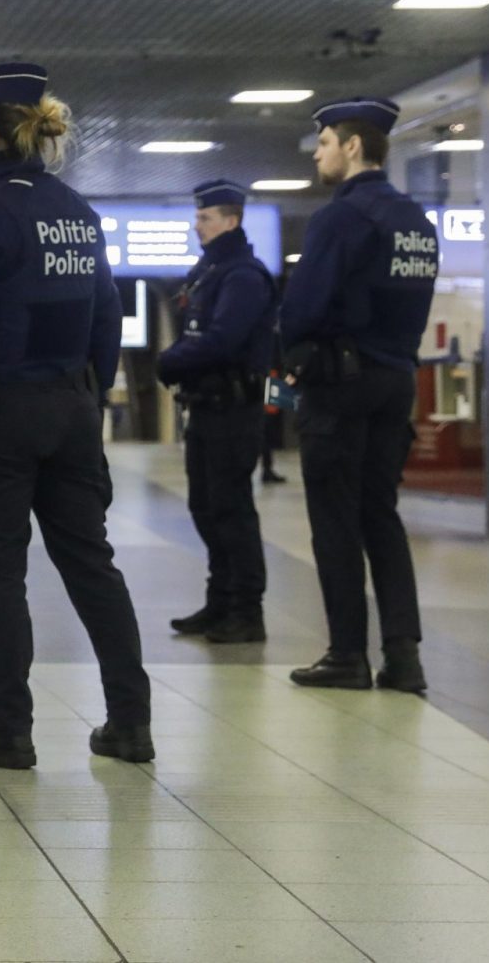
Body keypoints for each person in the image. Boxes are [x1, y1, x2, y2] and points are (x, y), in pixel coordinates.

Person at [0, 65, 154, 770]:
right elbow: (105, 316)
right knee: (92, 567)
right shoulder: (77, 212)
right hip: (72, 410)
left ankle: (7, 731)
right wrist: (88, 397)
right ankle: (130, 723)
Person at [279, 96, 439, 693]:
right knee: (381, 516)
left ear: (351, 146)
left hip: (340, 384)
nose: (317, 153)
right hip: (396, 380)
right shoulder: (416, 222)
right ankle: (404, 656)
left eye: (323, 142)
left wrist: (291, 351)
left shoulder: (342, 217)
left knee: (336, 521)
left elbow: (303, 306)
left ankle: (347, 654)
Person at [157, 179, 278, 645]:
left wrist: (170, 361)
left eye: (205, 218)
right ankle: (220, 601)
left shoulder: (243, 276)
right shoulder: (210, 272)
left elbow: (223, 340)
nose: (197, 226)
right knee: (206, 507)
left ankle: (247, 611)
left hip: (234, 409)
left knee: (231, 511)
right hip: (207, 409)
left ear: (231, 221)